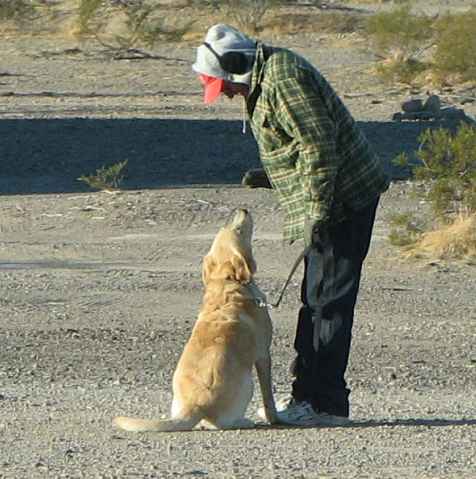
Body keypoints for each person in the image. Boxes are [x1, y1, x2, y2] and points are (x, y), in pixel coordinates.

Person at [192, 24, 390, 426]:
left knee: (328, 304)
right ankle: (308, 395)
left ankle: (325, 405)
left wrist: (316, 209)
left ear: (235, 65)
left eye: (223, 85)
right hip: (328, 197)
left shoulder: (283, 79)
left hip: (343, 200)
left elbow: (319, 147)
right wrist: (273, 175)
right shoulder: (263, 79)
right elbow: (297, 143)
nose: (226, 93)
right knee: (315, 300)